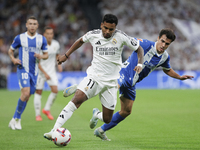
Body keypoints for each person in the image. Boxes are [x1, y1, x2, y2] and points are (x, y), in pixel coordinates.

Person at [63, 28, 194, 141]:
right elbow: (127, 39)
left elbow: (167, 69)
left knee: (126, 111)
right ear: (158, 38)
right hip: (123, 74)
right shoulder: (145, 44)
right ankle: (83, 87)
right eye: (163, 41)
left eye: (167, 44)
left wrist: (180, 77)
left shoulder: (165, 57)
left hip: (132, 83)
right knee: (112, 90)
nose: (164, 45)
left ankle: (101, 129)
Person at [43, 14, 144, 140]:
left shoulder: (121, 36)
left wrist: (140, 63)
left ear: (115, 28)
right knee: (77, 99)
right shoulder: (93, 34)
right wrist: (66, 55)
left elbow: (139, 49)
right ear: (101, 25)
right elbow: (80, 41)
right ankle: (54, 130)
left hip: (111, 82)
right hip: (95, 77)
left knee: (107, 119)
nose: (107, 31)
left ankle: (96, 114)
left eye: (111, 29)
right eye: (105, 28)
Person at [8, 16, 48, 130]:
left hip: (34, 72)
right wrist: (13, 59)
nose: (32, 26)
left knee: (28, 96)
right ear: (26, 25)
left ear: (37, 26)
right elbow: (10, 51)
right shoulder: (20, 38)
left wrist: (41, 56)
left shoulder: (41, 39)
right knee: (25, 93)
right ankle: (16, 119)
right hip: (23, 69)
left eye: (34, 24)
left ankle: (16, 119)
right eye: (30, 24)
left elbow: (46, 54)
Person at [33, 26, 62, 121]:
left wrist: (59, 64)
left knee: (55, 90)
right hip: (41, 72)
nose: (49, 36)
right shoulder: (40, 46)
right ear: (44, 35)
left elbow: (57, 55)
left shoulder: (56, 44)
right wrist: (44, 73)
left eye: (51, 34)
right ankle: (38, 114)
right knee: (39, 92)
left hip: (51, 71)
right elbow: (37, 63)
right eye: (48, 34)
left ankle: (46, 109)